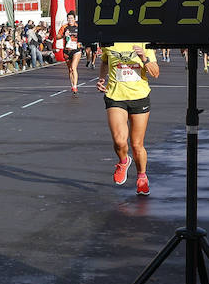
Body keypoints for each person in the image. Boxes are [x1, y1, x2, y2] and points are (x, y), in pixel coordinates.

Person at [96, 41, 160, 196]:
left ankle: (142, 177)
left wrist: (144, 58)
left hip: (140, 96)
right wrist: (101, 78)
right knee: (119, 140)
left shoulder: (145, 43)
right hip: (115, 96)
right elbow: (105, 61)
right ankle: (123, 161)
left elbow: (155, 73)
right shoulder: (109, 43)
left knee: (137, 145)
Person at [62, 11, 82, 94]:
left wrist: (79, 41)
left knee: (74, 68)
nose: (70, 20)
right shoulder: (64, 27)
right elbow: (57, 37)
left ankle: (75, 86)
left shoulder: (78, 26)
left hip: (76, 50)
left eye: (71, 18)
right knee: (70, 69)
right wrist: (64, 35)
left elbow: (83, 36)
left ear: (74, 19)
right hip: (67, 50)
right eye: (68, 18)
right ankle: (72, 84)